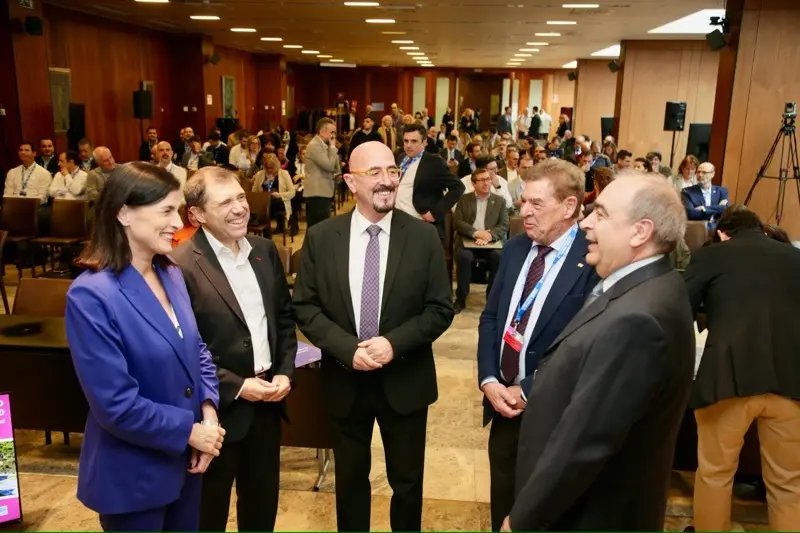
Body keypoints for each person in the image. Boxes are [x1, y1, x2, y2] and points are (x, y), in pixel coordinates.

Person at [505, 173, 695, 532]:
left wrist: (522, 519)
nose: (587, 223)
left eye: (602, 215)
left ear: (640, 232)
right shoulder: (648, 286)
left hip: (590, 515)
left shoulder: (638, 320)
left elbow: (586, 442)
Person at [293, 141, 454, 532]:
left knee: (408, 482)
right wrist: (349, 349)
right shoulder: (321, 237)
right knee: (349, 481)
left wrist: (392, 343)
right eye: (374, 173)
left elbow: (439, 309)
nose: (387, 181)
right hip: (345, 380)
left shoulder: (423, 237)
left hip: (405, 379)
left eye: (392, 171)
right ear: (350, 181)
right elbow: (306, 308)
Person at [65, 162, 224, 532]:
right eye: (166, 210)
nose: (178, 222)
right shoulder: (92, 296)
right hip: (133, 478)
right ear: (123, 213)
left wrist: (208, 411)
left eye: (179, 210)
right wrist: (190, 431)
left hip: (187, 466)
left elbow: (197, 350)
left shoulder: (170, 272)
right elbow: (115, 404)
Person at [478, 159, 599, 531]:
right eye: (523, 202)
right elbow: (492, 319)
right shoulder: (515, 249)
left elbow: (584, 344)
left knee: (547, 510)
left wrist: (527, 389)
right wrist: (489, 380)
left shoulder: (593, 260)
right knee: (504, 499)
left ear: (569, 206)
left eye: (536, 204)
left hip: (555, 410)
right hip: (503, 407)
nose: (524, 212)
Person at [173, 167, 296, 532]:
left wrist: (285, 371)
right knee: (206, 516)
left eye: (241, 197)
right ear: (196, 214)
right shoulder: (179, 265)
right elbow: (183, 351)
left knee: (261, 513)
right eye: (225, 201)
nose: (240, 207)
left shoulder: (264, 250)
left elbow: (284, 320)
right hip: (215, 414)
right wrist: (238, 385)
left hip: (268, 409)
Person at [685, 207, 800, 532]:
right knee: (789, 482)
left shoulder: (714, 256)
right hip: (791, 382)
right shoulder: (794, 258)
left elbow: (680, 305)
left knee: (716, 473)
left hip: (727, 379)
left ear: (722, 233)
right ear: (762, 230)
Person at [394, 123, 465, 240]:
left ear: (424, 142)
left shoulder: (434, 162)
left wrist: (435, 213)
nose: (408, 145)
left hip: (420, 223)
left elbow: (458, 187)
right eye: (406, 141)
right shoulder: (401, 158)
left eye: (414, 141)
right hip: (398, 220)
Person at [453, 167, 509, 313]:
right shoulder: (464, 199)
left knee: (499, 256)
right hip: (469, 240)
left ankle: (492, 298)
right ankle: (461, 298)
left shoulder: (499, 201)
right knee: (463, 256)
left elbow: (504, 225)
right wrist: (476, 233)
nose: (486, 183)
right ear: (474, 184)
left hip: (490, 242)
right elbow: (457, 222)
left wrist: (489, 236)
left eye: (488, 179)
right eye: (482, 180)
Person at [304, 117, 340, 229]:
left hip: (323, 192)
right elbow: (329, 166)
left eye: (335, 132)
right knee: (316, 228)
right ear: (322, 132)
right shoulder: (314, 145)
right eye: (331, 132)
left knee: (321, 229)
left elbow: (336, 168)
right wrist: (333, 148)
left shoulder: (325, 145)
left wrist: (332, 148)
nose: (333, 136)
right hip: (317, 193)